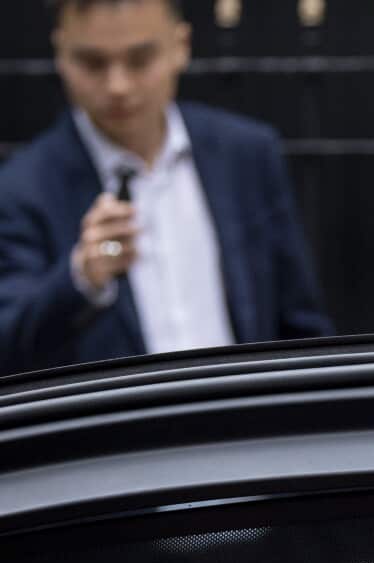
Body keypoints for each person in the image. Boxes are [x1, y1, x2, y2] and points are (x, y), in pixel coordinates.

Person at [0, 0, 333, 375]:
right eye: (93, 63)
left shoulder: (246, 155)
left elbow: (300, 326)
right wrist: (80, 278)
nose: (118, 86)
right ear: (61, 54)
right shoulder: (22, 187)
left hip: (246, 421)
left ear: (181, 46)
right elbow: (9, 346)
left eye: (140, 60)